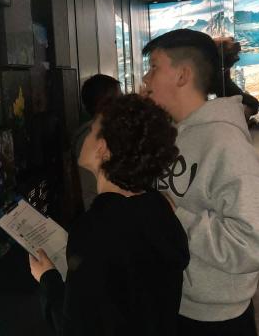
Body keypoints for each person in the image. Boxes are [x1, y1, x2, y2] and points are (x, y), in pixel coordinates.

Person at [141, 29, 259, 336]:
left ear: (182, 75)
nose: (145, 78)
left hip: (216, 320)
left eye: (153, 67)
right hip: (177, 301)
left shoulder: (225, 144)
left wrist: (173, 217)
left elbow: (257, 241)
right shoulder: (174, 134)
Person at [30, 94, 190, 335]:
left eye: (91, 130)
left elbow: (76, 328)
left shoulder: (95, 229)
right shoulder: (159, 208)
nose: (84, 136)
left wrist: (47, 278)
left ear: (103, 149)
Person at [72, 74, 121, 211]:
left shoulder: (109, 130)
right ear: (105, 102)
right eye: (119, 98)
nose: (123, 103)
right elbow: (89, 189)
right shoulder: (90, 136)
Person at [211, 36, 259, 120]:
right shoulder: (213, 70)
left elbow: (226, 86)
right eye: (235, 54)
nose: (238, 58)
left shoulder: (222, 70)